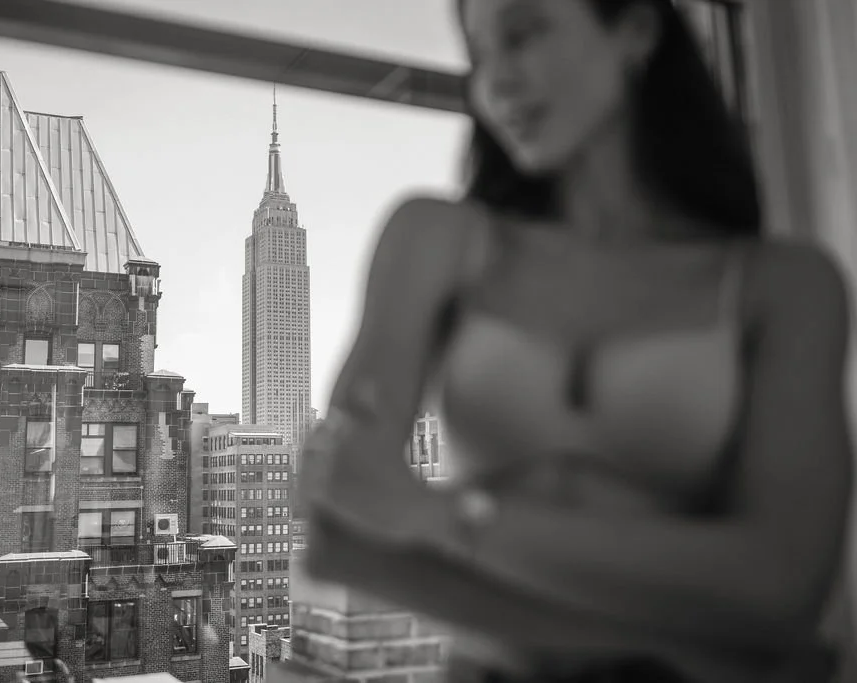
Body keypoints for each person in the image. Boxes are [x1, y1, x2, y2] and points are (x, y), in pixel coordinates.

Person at [298, 0, 854, 681]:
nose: (496, 82)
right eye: (480, 56)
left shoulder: (787, 284)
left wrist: (439, 515)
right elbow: (341, 543)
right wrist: (701, 643)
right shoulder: (434, 238)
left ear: (637, 30)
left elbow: (783, 584)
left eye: (524, 35)